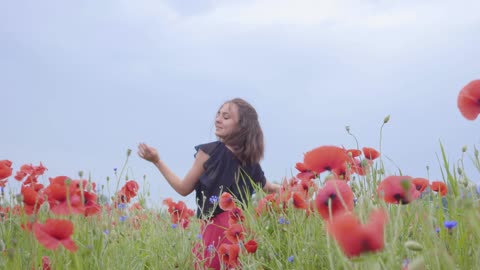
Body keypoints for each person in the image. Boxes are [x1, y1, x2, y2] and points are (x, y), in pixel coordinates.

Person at [137, 98, 281, 269]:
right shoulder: (250, 163)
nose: (218, 119)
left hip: (216, 233)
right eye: (218, 114)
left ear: (242, 126)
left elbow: (183, 188)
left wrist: (157, 161)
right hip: (240, 234)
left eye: (226, 117)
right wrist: (295, 188)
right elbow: (270, 188)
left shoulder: (210, 153)